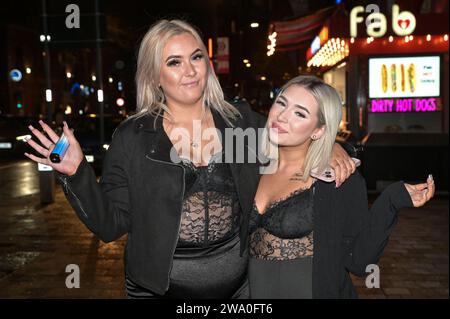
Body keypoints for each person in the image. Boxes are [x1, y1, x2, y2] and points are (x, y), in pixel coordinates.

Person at [23, 20, 355, 299]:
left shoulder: (239, 121)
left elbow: (297, 138)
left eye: (196, 57)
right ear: (154, 75)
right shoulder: (132, 137)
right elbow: (110, 226)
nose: (190, 70)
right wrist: (76, 173)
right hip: (157, 291)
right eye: (174, 62)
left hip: (239, 291)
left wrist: (335, 149)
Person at [246, 75, 435, 299]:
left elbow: (359, 261)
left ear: (318, 130)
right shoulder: (249, 164)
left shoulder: (337, 179)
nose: (282, 116)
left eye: (300, 113)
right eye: (281, 102)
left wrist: (391, 200)